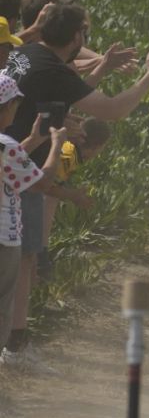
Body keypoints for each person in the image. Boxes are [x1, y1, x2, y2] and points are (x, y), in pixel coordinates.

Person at [4, 4, 149, 362]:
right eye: (85, 33)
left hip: (11, 160)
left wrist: (103, 66)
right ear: (76, 36)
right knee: (24, 259)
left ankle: (14, 340)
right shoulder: (52, 69)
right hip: (21, 171)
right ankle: (15, 346)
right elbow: (113, 110)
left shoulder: (28, 53)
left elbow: (64, 95)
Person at [0, 74, 72, 354]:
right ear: (8, 106)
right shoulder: (6, 145)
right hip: (4, 240)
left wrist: (33, 139)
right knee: (3, 306)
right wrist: (56, 144)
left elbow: (9, 164)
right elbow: (41, 182)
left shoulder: (7, 148)